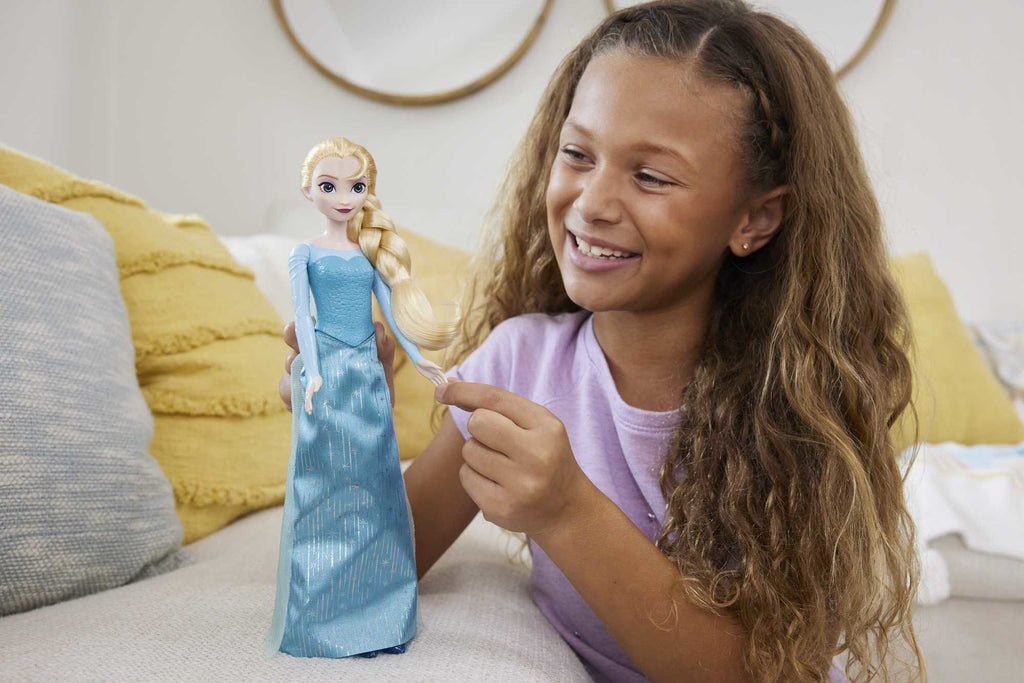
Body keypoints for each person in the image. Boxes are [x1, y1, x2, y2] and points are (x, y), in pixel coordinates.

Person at [280, 2, 924, 680]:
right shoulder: (520, 363)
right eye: (578, 154)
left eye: (651, 176)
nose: (591, 203)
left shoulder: (796, 410)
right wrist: (347, 430)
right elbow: (367, 576)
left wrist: (566, 510)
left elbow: (765, 672)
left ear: (755, 219)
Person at [267, 137, 454, 659]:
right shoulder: (304, 253)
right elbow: (301, 316)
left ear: (368, 191)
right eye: (329, 186)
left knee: (376, 488)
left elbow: (391, 313)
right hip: (326, 370)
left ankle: (381, 618)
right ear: (309, 190)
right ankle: (318, 621)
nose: (343, 197)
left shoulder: (367, 256)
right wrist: (313, 371)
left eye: (356, 186)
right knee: (321, 491)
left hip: (367, 372)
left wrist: (418, 358)